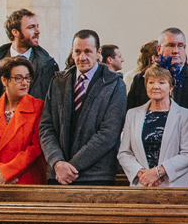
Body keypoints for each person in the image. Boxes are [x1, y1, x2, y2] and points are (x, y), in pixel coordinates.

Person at [39, 29, 127, 185]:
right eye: (77, 52)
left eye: (88, 51)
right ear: (72, 53)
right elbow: (46, 127)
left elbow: (109, 133)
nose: (82, 57)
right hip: (58, 175)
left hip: (96, 176)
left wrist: (72, 167)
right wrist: (57, 162)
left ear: (98, 53)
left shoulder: (114, 84)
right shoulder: (58, 81)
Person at [118, 64, 188, 187]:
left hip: (173, 185)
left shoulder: (185, 115)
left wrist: (158, 172)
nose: (155, 87)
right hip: (142, 184)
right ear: (146, 86)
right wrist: (143, 175)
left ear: (171, 87)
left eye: (162, 82)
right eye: (151, 82)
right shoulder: (132, 114)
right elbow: (124, 152)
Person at [0, 55, 45, 185]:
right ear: (4, 81)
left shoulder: (38, 107)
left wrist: (8, 172)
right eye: (18, 78)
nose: (24, 83)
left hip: (24, 180)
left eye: (27, 77)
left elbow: (35, 147)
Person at [127, 26, 188, 117]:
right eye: (170, 45)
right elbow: (133, 111)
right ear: (159, 49)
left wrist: (187, 129)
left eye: (180, 46)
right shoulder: (141, 79)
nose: (176, 51)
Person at [0, 8, 59, 104]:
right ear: (15, 32)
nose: (37, 32)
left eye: (37, 26)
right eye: (31, 27)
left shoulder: (48, 65)